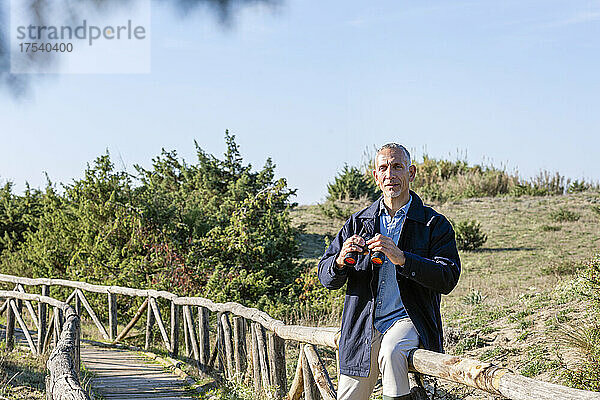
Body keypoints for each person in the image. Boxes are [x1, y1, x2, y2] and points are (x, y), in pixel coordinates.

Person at [318, 143, 461, 400]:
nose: (390, 174)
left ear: (412, 173)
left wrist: (403, 259)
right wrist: (339, 261)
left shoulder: (433, 224)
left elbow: (448, 277)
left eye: (397, 167)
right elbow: (325, 276)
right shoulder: (358, 222)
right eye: (383, 168)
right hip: (362, 324)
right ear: (376, 176)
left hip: (409, 320)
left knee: (392, 350)